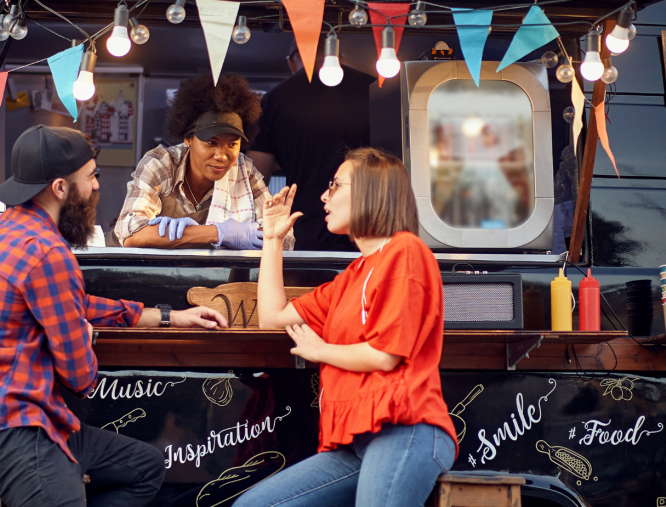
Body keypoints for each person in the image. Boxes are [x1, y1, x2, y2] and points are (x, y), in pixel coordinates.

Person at [0, 125, 228, 507]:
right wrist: (82, 335)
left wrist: (169, 317)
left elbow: (74, 304)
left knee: (145, 466)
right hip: (14, 428)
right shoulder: (47, 252)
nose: (97, 186)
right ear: (60, 188)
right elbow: (80, 376)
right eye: (92, 176)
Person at [235, 148, 458, 507]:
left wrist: (319, 351)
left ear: (371, 190)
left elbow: (385, 355)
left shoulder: (407, 251)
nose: (324, 195)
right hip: (357, 442)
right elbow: (272, 317)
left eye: (334, 185)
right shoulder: (350, 277)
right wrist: (273, 240)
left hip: (406, 430)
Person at [111, 73, 294, 250]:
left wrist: (273, 228)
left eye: (232, 144)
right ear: (188, 139)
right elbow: (130, 234)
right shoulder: (162, 164)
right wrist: (218, 233)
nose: (222, 156)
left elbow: (282, 238)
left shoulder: (244, 171)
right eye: (211, 143)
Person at [246, 39, 374, 252]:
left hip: (305, 233)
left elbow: (255, 179)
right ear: (339, 58)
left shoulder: (274, 100)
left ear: (291, 63)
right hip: (371, 231)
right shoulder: (375, 88)